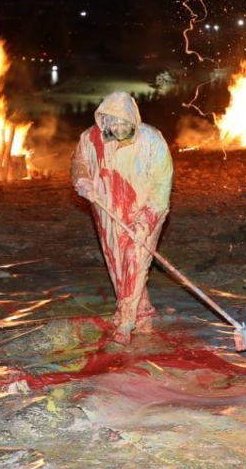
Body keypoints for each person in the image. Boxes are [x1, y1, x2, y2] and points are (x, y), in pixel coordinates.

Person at [70, 91, 173, 344]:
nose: (116, 129)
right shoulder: (90, 139)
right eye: (111, 122)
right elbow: (79, 162)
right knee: (119, 267)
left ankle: (125, 322)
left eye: (122, 123)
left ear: (132, 120)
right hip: (107, 212)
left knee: (135, 260)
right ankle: (144, 315)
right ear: (103, 119)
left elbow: (161, 187)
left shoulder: (152, 141)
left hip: (146, 210)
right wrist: (82, 180)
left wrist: (146, 221)